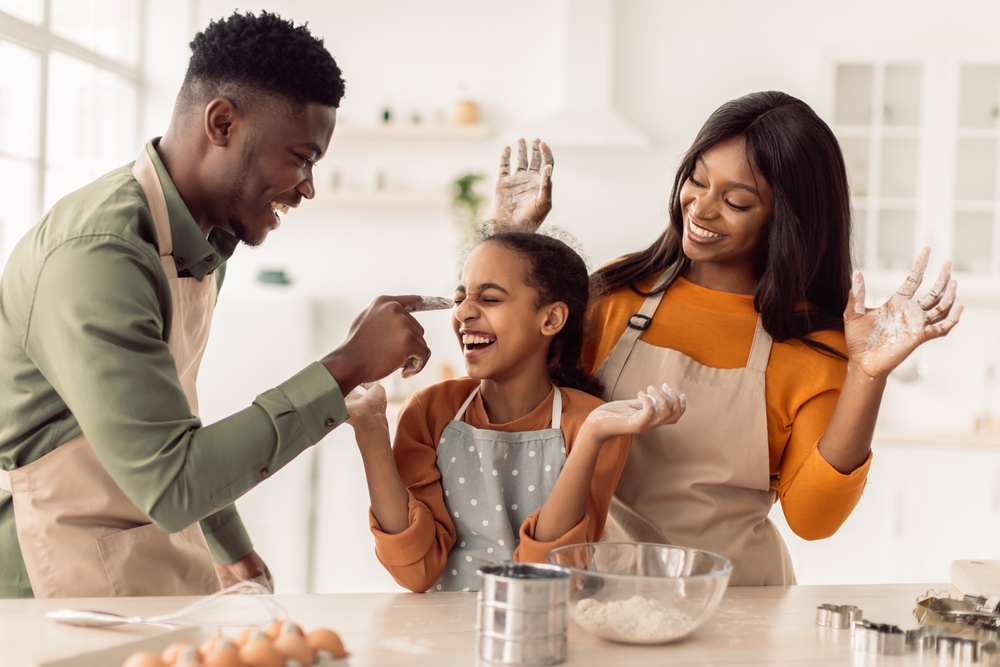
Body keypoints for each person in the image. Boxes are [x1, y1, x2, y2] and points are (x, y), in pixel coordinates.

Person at [0, 11, 431, 599]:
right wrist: (349, 364)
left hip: (142, 546)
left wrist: (233, 547)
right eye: (302, 157)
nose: (307, 187)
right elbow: (173, 482)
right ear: (222, 122)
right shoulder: (100, 255)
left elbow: (166, 417)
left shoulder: (204, 243)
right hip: (46, 577)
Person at [496, 92, 962, 586]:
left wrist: (867, 375)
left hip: (737, 607)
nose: (701, 207)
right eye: (697, 180)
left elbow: (813, 521)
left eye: (736, 201)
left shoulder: (810, 344)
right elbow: (515, 421)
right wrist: (509, 243)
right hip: (599, 590)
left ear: (788, 219)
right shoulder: (615, 295)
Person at [345, 231, 685, 592]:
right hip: (446, 636)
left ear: (552, 319)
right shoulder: (429, 412)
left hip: (551, 629)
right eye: (460, 298)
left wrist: (590, 438)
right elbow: (415, 572)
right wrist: (370, 428)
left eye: (489, 298)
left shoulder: (593, 423)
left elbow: (550, 576)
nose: (462, 312)